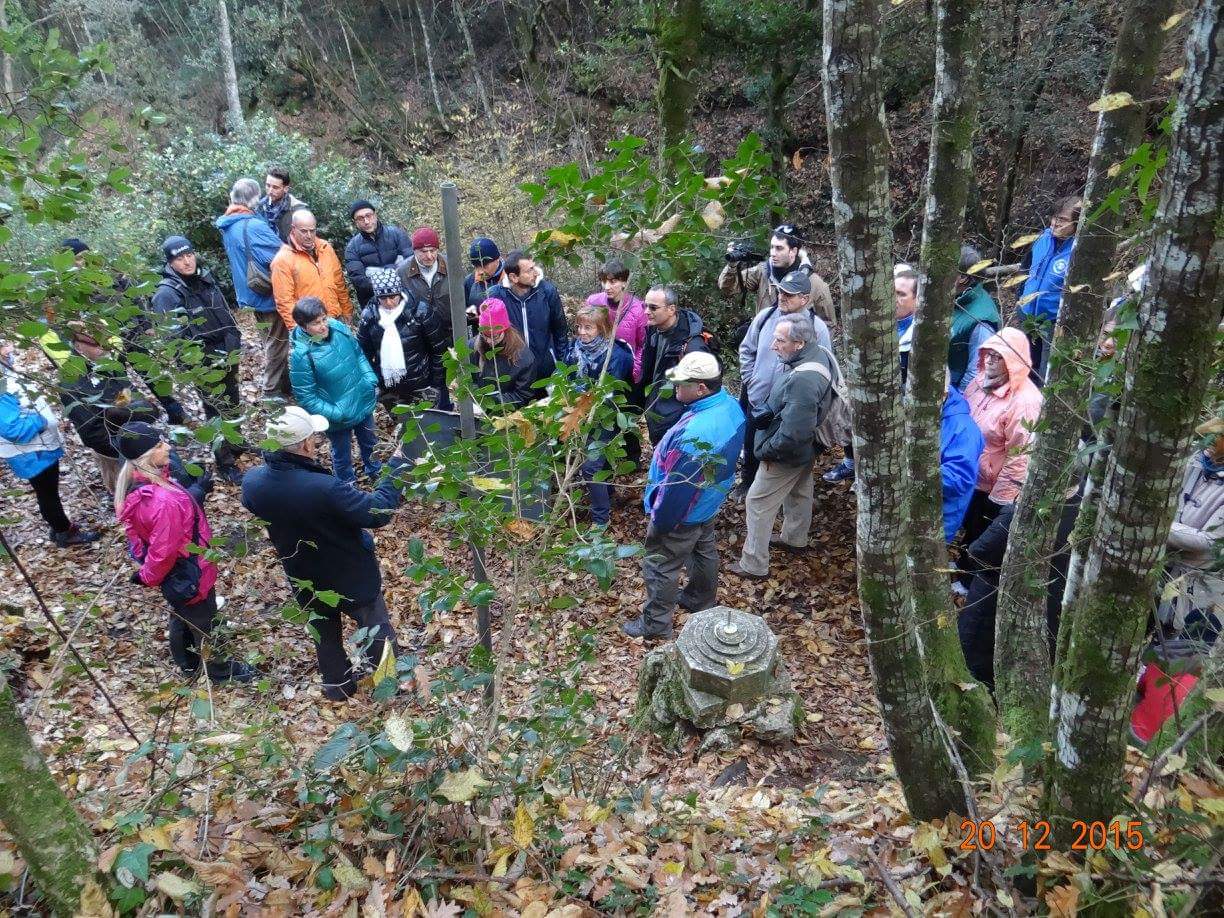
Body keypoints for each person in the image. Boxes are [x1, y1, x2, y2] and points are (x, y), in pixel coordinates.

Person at [241, 407, 411, 700]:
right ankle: (389, 683)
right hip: (349, 573)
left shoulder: (253, 482)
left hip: (303, 574)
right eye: (314, 438)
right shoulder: (324, 488)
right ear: (306, 445)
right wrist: (397, 465)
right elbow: (378, 512)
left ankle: (337, 685)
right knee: (374, 625)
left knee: (324, 632)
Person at [113, 422, 255, 683]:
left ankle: (188, 663)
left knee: (183, 613)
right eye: (158, 445)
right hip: (190, 572)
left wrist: (195, 493)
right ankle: (221, 671)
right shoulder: (161, 499)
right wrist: (148, 576)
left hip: (183, 571)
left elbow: (168, 527)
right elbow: (163, 549)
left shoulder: (149, 484)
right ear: (145, 456)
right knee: (207, 623)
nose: (167, 446)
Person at [624, 352, 745, 639]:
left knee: (661, 564)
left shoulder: (697, 432)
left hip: (684, 511)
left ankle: (655, 625)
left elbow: (677, 488)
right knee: (704, 550)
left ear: (701, 388)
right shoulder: (730, 406)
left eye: (682, 383)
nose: (676, 388)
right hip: (708, 502)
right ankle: (699, 600)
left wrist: (661, 520)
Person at [731, 316, 833, 579]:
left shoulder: (804, 379)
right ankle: (794, 538)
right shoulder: (817, 355)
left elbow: (794, 432)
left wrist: (767, 453)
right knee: (800, 491)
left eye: (780, 340)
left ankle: (753, 564)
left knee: (757, 501)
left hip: (787, 453)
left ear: (798, 343)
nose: (773, 345)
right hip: (806, 450)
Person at [150, 235, 245, 484]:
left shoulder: (205, 280)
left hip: (227, 353)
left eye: (189, 255)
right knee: (214, 411)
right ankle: (225, 461)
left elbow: (227, 316)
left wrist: (233, 348)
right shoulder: (166, 294)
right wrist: (201, 366)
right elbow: (174, 340)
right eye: (180, 258)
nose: (187, 261)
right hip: (202, 364)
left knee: (232, 401)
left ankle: (236, 443)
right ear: (170, 263)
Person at [737, 269, 832, 495]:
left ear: (805, 299)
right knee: (751, 442)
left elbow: (825, 365)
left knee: (785, 446)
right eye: (780, 292)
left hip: (791, 404)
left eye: (789, 294)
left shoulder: (817, 328)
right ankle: (747, 482)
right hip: (759, 397)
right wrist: (751, 380)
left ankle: (784, 492)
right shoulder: (765, 318)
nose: (782, 297)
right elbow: (746, 350)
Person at [0, 343, 99, 546]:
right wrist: (42, 421)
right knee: (47, 493)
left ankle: (59, 528)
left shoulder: (4, 377)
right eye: (2, 347)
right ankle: (64, 532)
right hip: (31, 451)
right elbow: (14, 430)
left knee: (46, 491)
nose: (8, 349)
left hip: (36, 448)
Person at [961, 327, 1044, 547]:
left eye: (999, 357)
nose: (990, 361)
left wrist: (1000, 499)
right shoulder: (978, 383)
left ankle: (969, 578)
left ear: (1013, 361)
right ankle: (960, 567)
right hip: (968, 473)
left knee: (981, 534)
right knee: (968, 525)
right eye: (989, 354)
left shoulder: (1025, 402)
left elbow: (1020, 455)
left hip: (990, 486)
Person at [288, 297, 380, 483]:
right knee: (342, 455)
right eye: (316, 323)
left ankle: (376, 474)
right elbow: (306, 397)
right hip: (338, 415)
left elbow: (358, 354)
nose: (323, 326)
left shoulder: (338, 328)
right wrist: (336, 413)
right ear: (304, 326)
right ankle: (346, 487)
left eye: (324, 319)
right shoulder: (301, 355)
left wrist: (370, 380)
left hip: (361, 399)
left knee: (370, 443)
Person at [59, 328, 160, 494]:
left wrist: (130, 415)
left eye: (105, 344)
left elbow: (129, 392)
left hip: (137, 438)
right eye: (97, 345)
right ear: (78, 347)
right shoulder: (71, 380)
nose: (103, 349)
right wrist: (125, 446)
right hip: (114, 450)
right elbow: (91, 432)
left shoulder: (109, 364)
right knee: (128, 493)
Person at [216, 178, 291, 398]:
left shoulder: (229, 224)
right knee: (277, 346)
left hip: (249, 294)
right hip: (266, 294)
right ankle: (270, 392)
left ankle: (285, 387)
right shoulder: (253, 225)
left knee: (271, 341)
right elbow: (280, 255)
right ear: (254, 198)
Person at [1156, 417, 1224, 641]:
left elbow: (1210, 542)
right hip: (1160, 564)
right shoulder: (1195, 462)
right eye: (1208, 437)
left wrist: (1157, 526)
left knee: (1177, 645)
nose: (1209, 442)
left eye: (1217, 438)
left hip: (1193, 581)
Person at [566, 305, 634, 526]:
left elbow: (611, 392)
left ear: (602, 329)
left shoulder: (616, 355)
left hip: (606, 416)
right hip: (579, 413)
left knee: (591, 466)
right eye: (579, 327)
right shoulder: (574, 349)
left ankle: (600, 519)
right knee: (595, 461)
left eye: (589, 328)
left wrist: (584, 401)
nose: (582, 332)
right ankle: (608, 493)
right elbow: (564, 374)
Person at [356, 269, 448, 410]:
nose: (388, 302)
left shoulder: (420, 311)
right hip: (389, 386)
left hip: (422, 382)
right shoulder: (369, 317)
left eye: (393, 297)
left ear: (399, 292)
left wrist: (436, 383)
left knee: (430, 424)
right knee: (405, 426)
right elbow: (363, 354)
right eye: (383, 298)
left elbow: (438, 349)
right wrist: (376, 380)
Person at [717, 223, 835, 324]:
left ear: (793, 251)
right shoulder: (763, 271)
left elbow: (828, 325)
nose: (773, 253)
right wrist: (732, 265)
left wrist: (808, 347)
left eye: (779, 248)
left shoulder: (814, 283)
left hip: (797, 347)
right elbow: (728, 288)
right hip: (765, 344)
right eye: (772, 247)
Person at [636, 285, 711, 444]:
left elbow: (703, 392)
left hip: (677, 421)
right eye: (645, 306)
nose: (646, 312)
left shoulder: (692, 346)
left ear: (671, 309)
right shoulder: (654, 330)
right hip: (656, 411)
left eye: (653, 307)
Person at [1018, 196, 1080, 381]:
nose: (1054, 223)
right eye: (1054, 217)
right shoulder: (1042, 239)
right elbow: (1025, 269)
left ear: (1077, 223)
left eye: (1062, 220)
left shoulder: (1078, 251)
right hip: (1027, 315)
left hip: (1052, 322)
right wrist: (1019, 298)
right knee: (1022, 367)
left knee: (1045, 374)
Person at [486, 250, 567, 384]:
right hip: (512, 371)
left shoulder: (547, 292)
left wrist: (561, 365)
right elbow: (489, 335)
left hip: (546, 371)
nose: (535, 273)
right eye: (529, 270)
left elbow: (560, 331)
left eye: (534, 267)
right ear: (513, 277)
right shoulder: (496, 296)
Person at [270, 210, 355, 338]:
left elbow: (339, 283)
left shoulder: (325, 248)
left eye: (312, 230)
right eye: (304, 231)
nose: (309, 236)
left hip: (335, 319)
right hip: (310, 326)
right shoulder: (283, 260)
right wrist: (299, 331)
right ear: (293, 229)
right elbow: (285, 302)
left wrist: (347, 310)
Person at [584, 259, 648, 383]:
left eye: (613, 282)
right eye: (604, 281)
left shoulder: (638, 310)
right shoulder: (593, 302)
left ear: (624, 282)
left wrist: (634, 371)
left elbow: (642, 345)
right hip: (595, 369)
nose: (607, 287)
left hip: (624, 372)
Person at [949, 246, 1002, 393]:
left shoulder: (982, 321)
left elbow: (977, 371)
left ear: (963, 278)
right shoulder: (953, 298)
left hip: (954, 392)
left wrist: (957, 399)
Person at [468, 298, 537, 409]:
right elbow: (467, 379)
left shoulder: (523, 357)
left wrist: (492, 402)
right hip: (475, 411)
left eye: (494, 336)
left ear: (505, 330)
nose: (489, 341)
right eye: (485, 335)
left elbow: (523, 395)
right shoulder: (471, 347)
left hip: (506, 416)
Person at [939, 382, 985, 543]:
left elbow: (958, 480)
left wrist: (912, 470)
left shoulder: (964, 430)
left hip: (939, 520)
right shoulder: (933, 417)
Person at [344, 200, 413, 307]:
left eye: (369, 215)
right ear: (355, 222)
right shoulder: (352, 248)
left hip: (404, 299)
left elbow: (411, 263)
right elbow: (359, 281)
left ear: (375, 215)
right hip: (374, 305)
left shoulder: (396, 234)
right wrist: (395, 271)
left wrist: (375, 274)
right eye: (360, 218)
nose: (366, 221)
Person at [257, 166, 307, 242]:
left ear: (286, 189)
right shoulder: (260, 206)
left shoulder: (298, 211)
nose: (270, 191)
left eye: (275, 187)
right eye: (268, 185)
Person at [464, 237, 505, 316]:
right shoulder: (470, 282)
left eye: (485, 265)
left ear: (497, 259)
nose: (480, 272)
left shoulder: (513, 276)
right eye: (476, 266)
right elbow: (463, 314)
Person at [894, 268, 918, 384]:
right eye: (892, 292)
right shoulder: (877, 323)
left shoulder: (922, 335)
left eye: (901, 294)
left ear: (916, 299)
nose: (894, 299)